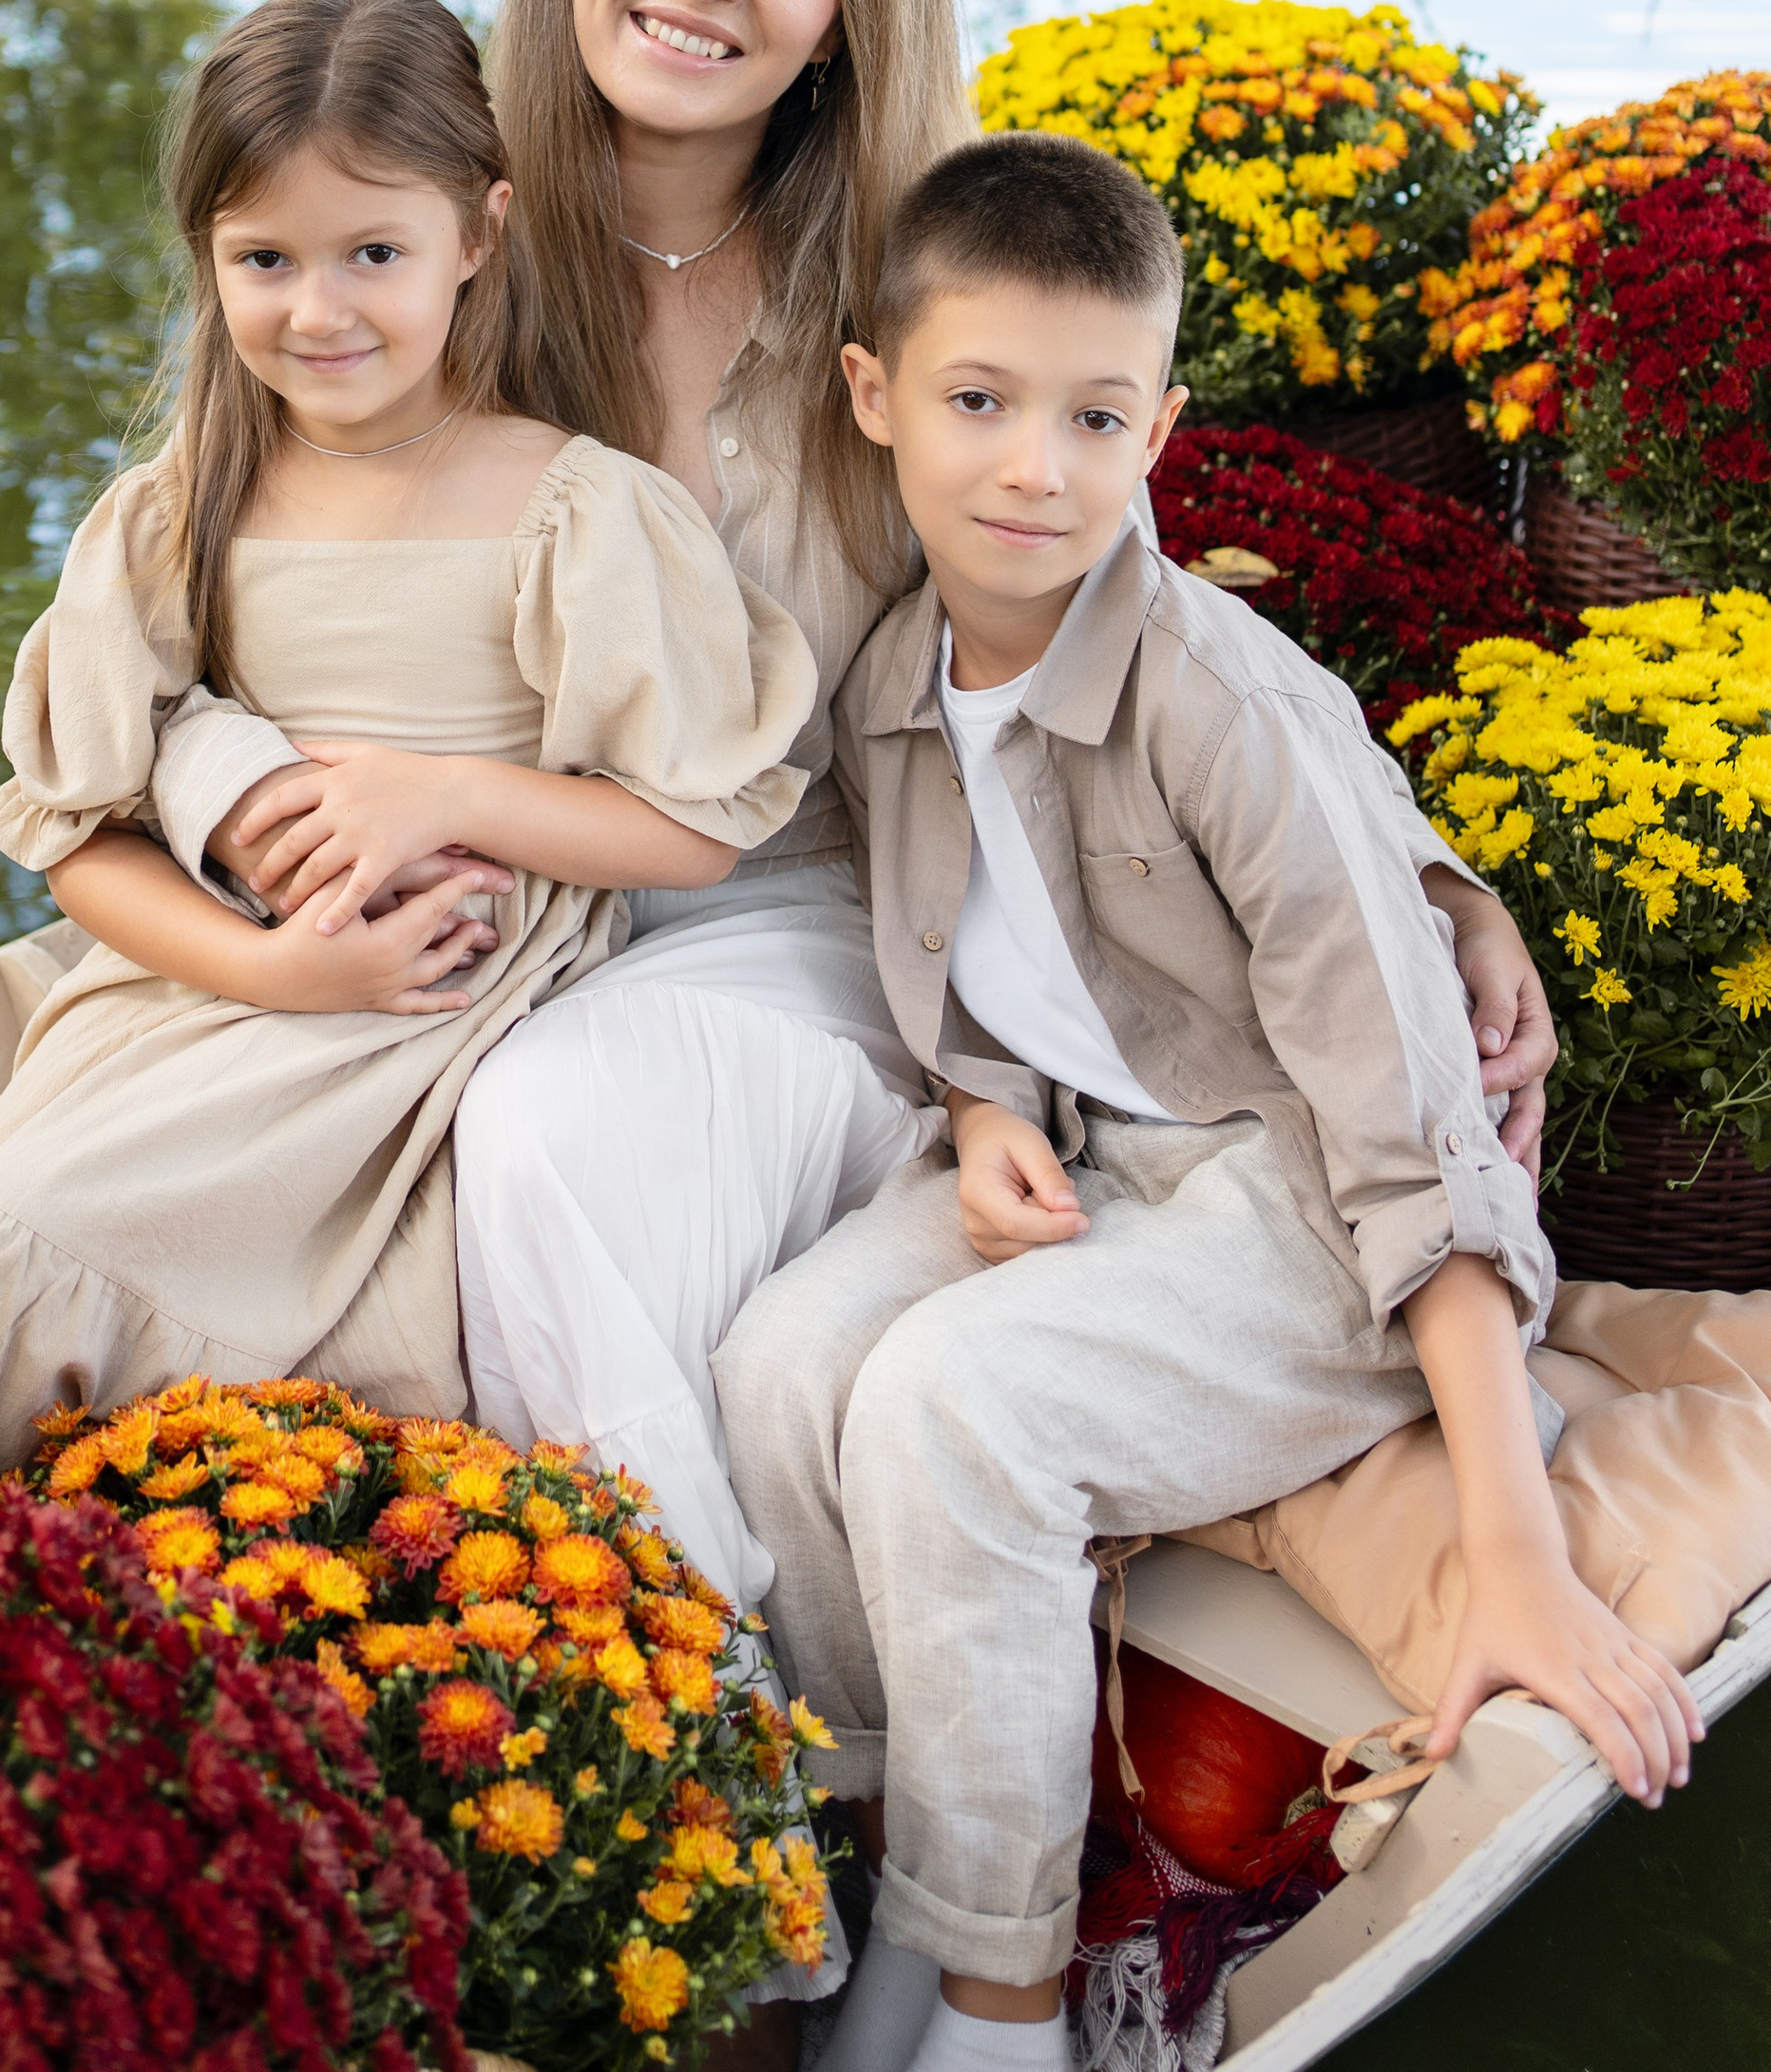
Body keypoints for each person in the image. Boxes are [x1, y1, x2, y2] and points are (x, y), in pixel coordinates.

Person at [186, 0, 1550, 1612]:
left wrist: (1421, 882)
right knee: (153, 1183)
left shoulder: (907, 277)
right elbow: (189, 599)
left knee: (555, 1132)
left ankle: (698, 1741)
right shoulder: (416, 227)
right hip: (472, 899)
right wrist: (252, 832)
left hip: (821, 916)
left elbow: (1129, 617)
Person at [712, 134, 1702, 2072]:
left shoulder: (1221, 710)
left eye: (1092, 416)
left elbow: (1412, 1135)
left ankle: (1000, 2008)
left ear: (1156, 425)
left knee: (948, 1407)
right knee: (775, 1358)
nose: (1032, 468)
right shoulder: (888, 679)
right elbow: (976, 956)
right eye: (978, 402)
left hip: (1295, 1216)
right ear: (872, 398)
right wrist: (975, 1102)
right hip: (1088, 1161)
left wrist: (1511, 1545)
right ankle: (918, 1842)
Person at [0, 0, 813, 1471]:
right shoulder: (179, 511)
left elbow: (691, 832)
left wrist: (440, 796)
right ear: (208, 256)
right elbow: (77, 838)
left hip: (431, 994)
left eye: (373, 253)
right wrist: (275, 970)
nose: (319, 307)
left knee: (290, 1316)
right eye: (264, 258)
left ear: (478, 236)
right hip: (218, 976)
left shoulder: (570, 505)